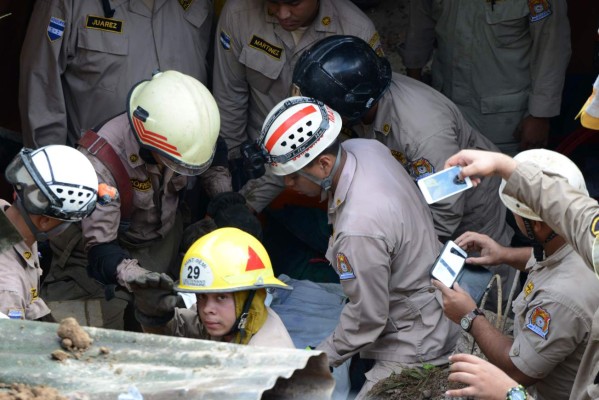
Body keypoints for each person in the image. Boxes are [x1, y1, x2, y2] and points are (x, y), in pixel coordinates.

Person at [257, 96, 460, 398]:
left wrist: (316, 360)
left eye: (292, 176)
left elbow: (367, 319)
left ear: (323, 165)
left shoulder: (359, 228)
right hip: (430, 300)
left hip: (414, 338)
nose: (288, 186)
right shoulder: (366, 149)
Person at [43, 70, 221, 330]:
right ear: (149, 143)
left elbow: (213, 155)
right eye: (174, 163)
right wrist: (138, 278)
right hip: (97, 253)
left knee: (179, 320)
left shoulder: (187, 135)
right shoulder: (101, 162)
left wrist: (226, 199)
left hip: (161, 238)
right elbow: (101, 251)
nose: (179, 169)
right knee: (87, 333)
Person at [433, 149, 599, 400]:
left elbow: (518, 371)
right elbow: (553, 260)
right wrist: (504, 254)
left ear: (539, 225)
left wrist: (469, 317)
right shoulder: (583, 242)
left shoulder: (560, 298)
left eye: (515, 212)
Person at [212, 0, 382, 191]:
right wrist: (230, 167)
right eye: (273, 2)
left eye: (294, 3)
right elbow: (229, 98)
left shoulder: (356, 31)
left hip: (322, 173)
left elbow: (371, 119)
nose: (283, 14)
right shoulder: (239, 15)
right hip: (260, 165)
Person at [19, 0, 213, 149]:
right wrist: (53, 176)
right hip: (93, 181)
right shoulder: (69, 4)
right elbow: (41, 89)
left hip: (178, 182)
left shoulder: (198, 4)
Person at [399, 0, 571, 155]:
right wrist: (412, 98)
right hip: (444, 108)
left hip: (504, 122)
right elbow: (419, 30)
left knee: (505, 185)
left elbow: (552, 48)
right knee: (449, 181)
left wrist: (539, 117)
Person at [127, 227, 295, 348]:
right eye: (202, 296)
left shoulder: (269, 358)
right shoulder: (235, 319)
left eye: (221, 297)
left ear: (250, 297)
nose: (207, 309)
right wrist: (154, 316)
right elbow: (179, 329)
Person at [0, 145, 98, 321]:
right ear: (45, 221)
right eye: (68, 221)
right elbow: (10, 345)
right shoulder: (9, 292)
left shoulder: (14, 221)